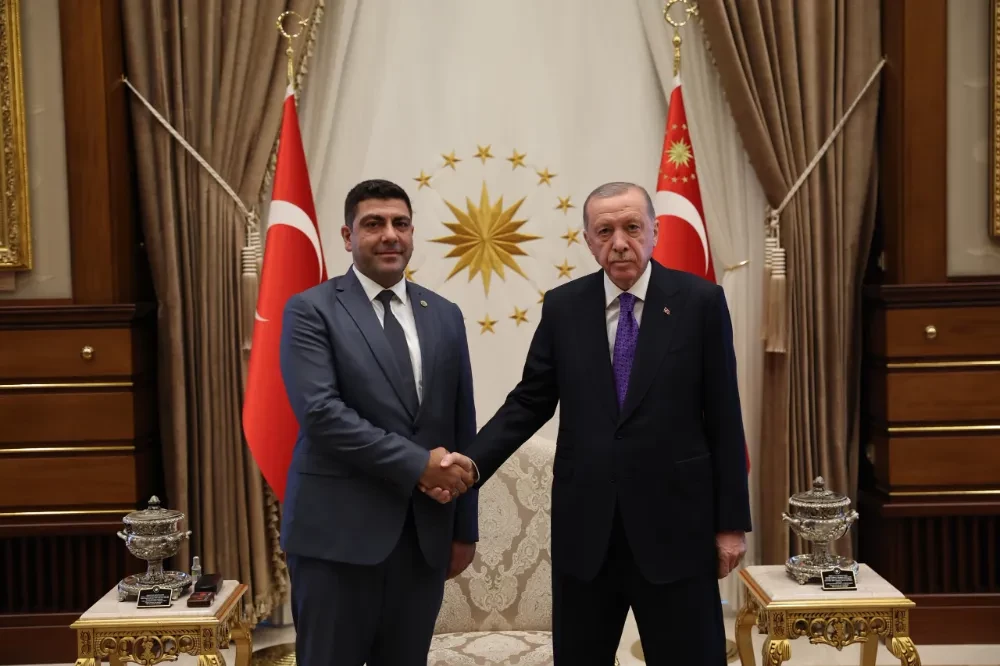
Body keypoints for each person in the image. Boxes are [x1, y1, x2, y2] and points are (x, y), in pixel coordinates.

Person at [430, 182, 751, 665]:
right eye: (605, 231)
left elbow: (724, 415)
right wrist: (471, 463)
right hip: (587, 533)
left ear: (655, 232)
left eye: (631, 228)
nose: (619, 242)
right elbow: (530, 401)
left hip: (676, 530)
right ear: (587, 240)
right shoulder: (564, 307)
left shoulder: (700, 302)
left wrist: (730, 525)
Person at [279, 179, 478, 666]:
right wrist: (418, 465)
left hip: (422, 541)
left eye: (400, 223)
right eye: (374, 224)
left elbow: (461, 423)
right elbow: (322, 415)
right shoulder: (311, 310)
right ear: (348, 236)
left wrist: (464, 530)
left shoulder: (445, 314)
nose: (390, 234)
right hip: (336, 541)